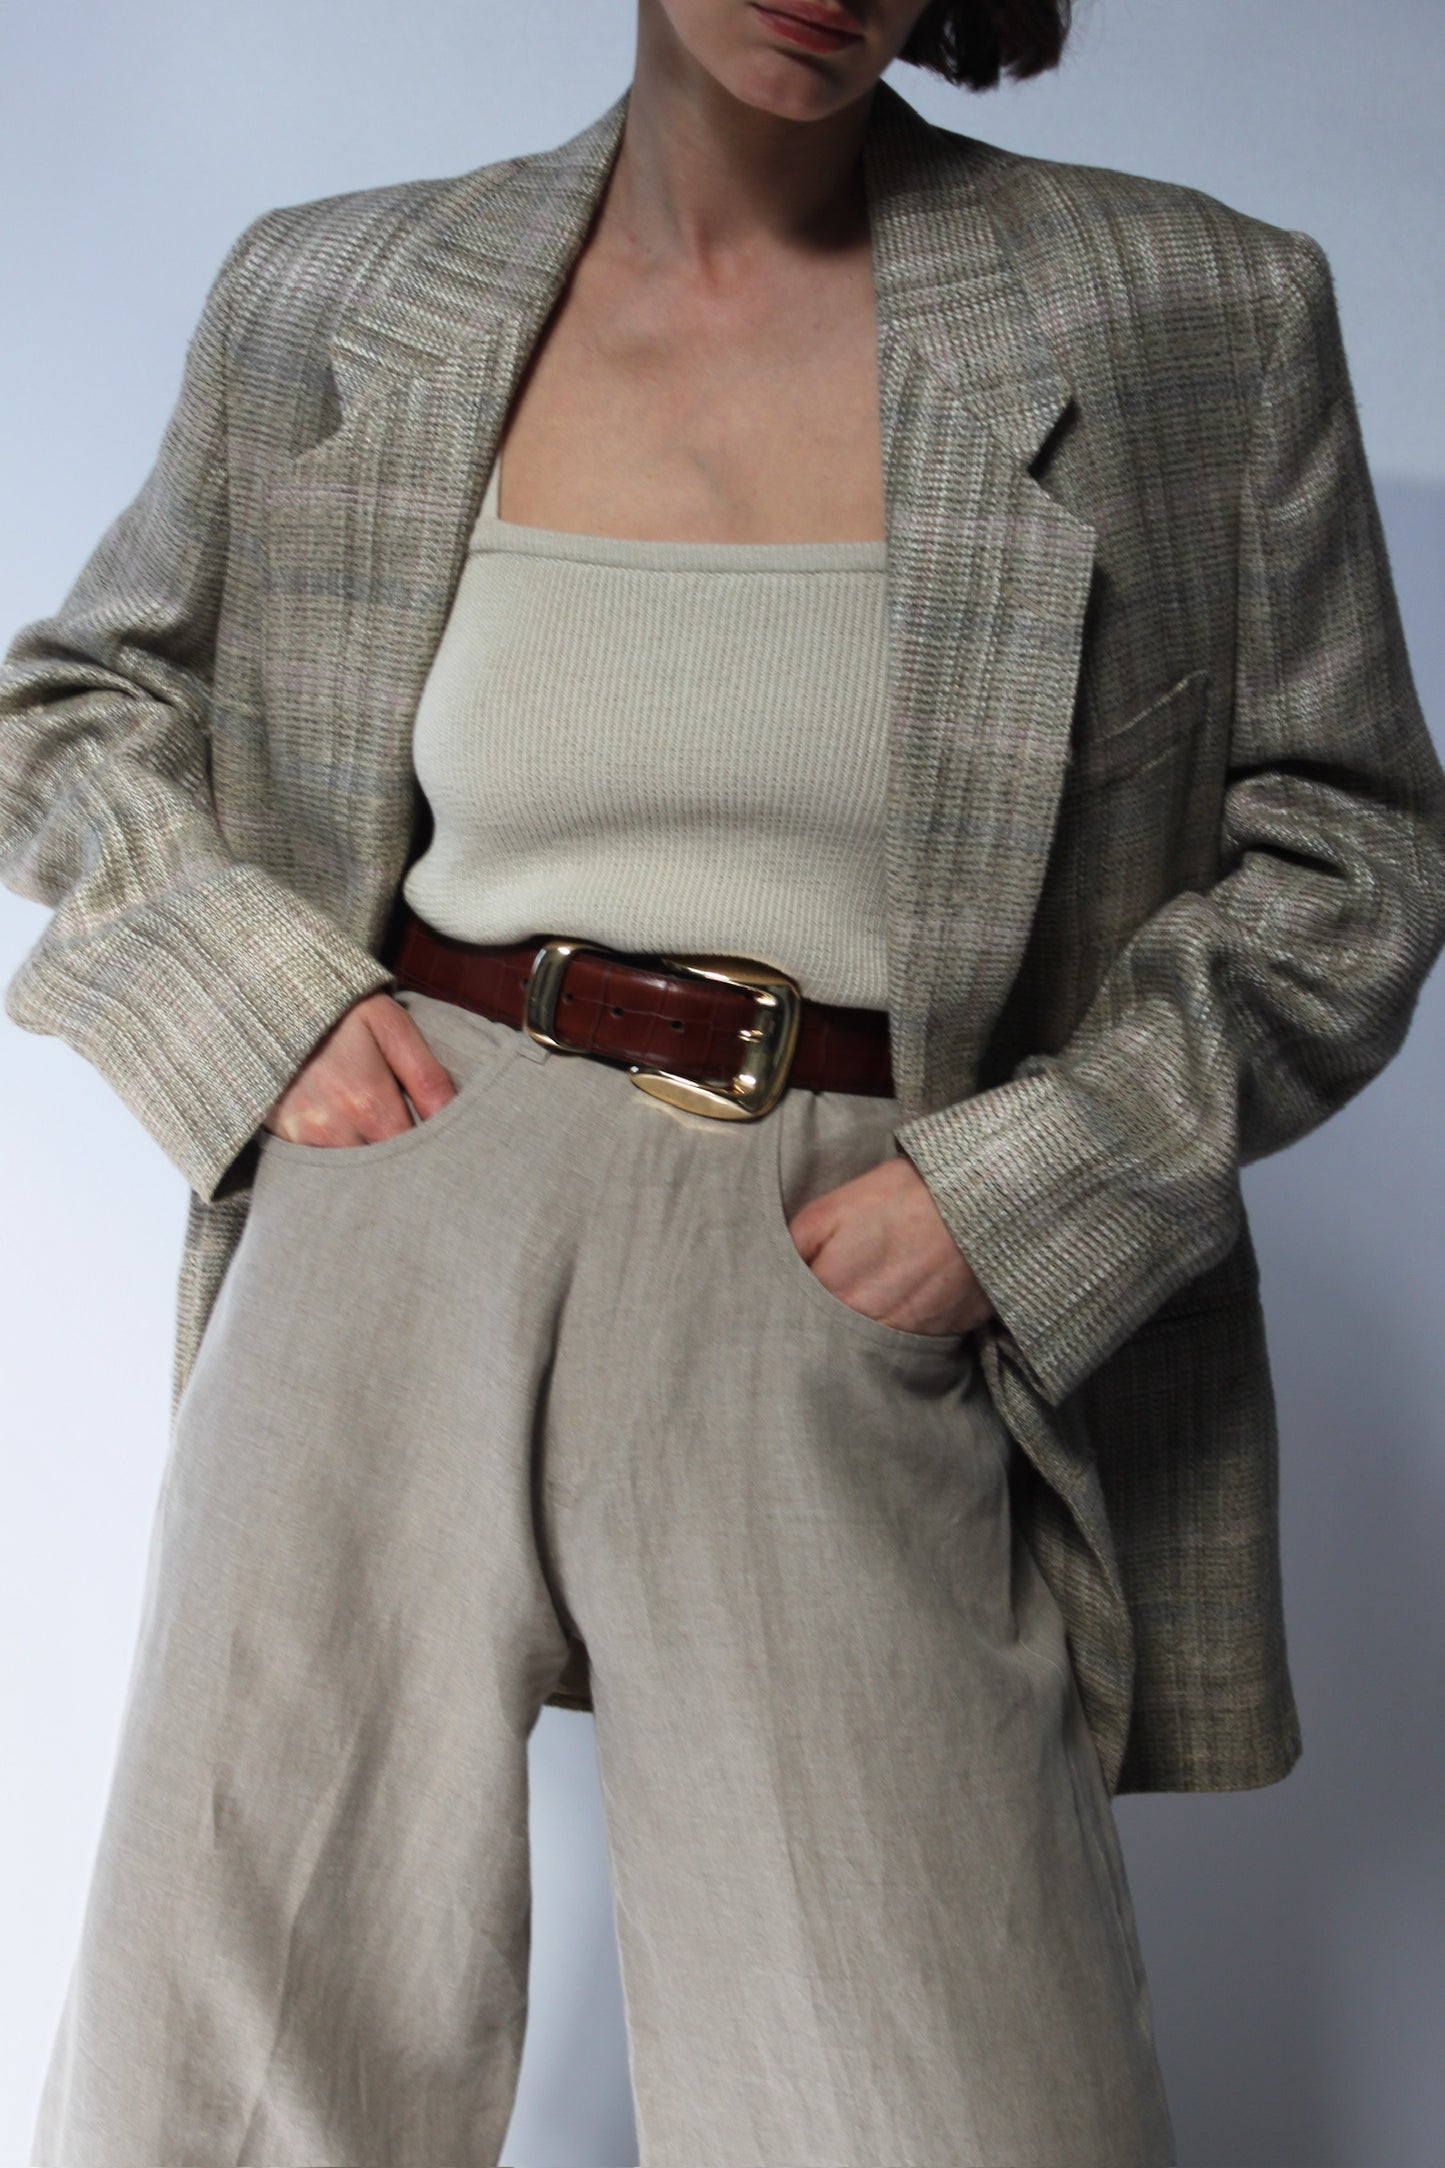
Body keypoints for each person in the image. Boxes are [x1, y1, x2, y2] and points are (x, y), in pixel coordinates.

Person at [4, 0, 1444, 2162]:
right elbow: (79, 704)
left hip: (850, 1244)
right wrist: (250, 1004)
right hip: (397, 1196)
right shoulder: (335, 289)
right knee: (230, 2067)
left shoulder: (1189, 312)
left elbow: (1352, 849)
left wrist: (1018, 1195)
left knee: (926, 2090)